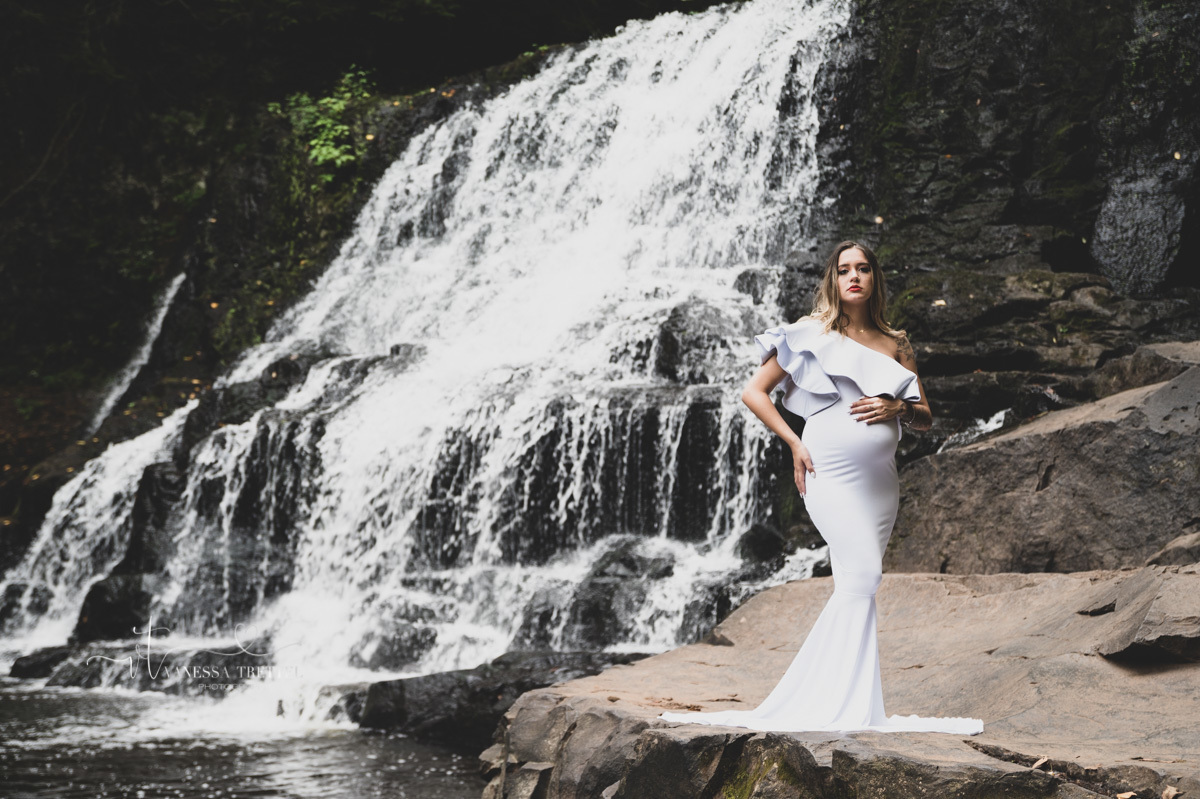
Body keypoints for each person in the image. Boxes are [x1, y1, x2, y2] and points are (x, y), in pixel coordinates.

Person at [659, 241, 983, 734]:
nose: (854, 277)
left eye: (863, 269)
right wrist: (792, 441)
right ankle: (826, 703)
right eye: (844, 269)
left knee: (855, 585)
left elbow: (925, 417)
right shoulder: (812, 333)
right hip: (826, 470)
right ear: (833, 279)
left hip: (880, 485)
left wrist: (899, 408)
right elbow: (754, 391)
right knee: (865, 576)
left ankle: (850, 702)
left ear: (876, 278)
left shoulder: (897, 344)